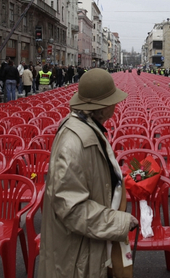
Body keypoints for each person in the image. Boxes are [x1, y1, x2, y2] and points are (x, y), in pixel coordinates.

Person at [37, 68, 138, 277]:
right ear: (102, 107)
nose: (116, 104)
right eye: (113, 100)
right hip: (77, 255)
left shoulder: (88, 128)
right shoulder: (75, 142)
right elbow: (71, 208)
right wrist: (119, 221)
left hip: (87, 246)